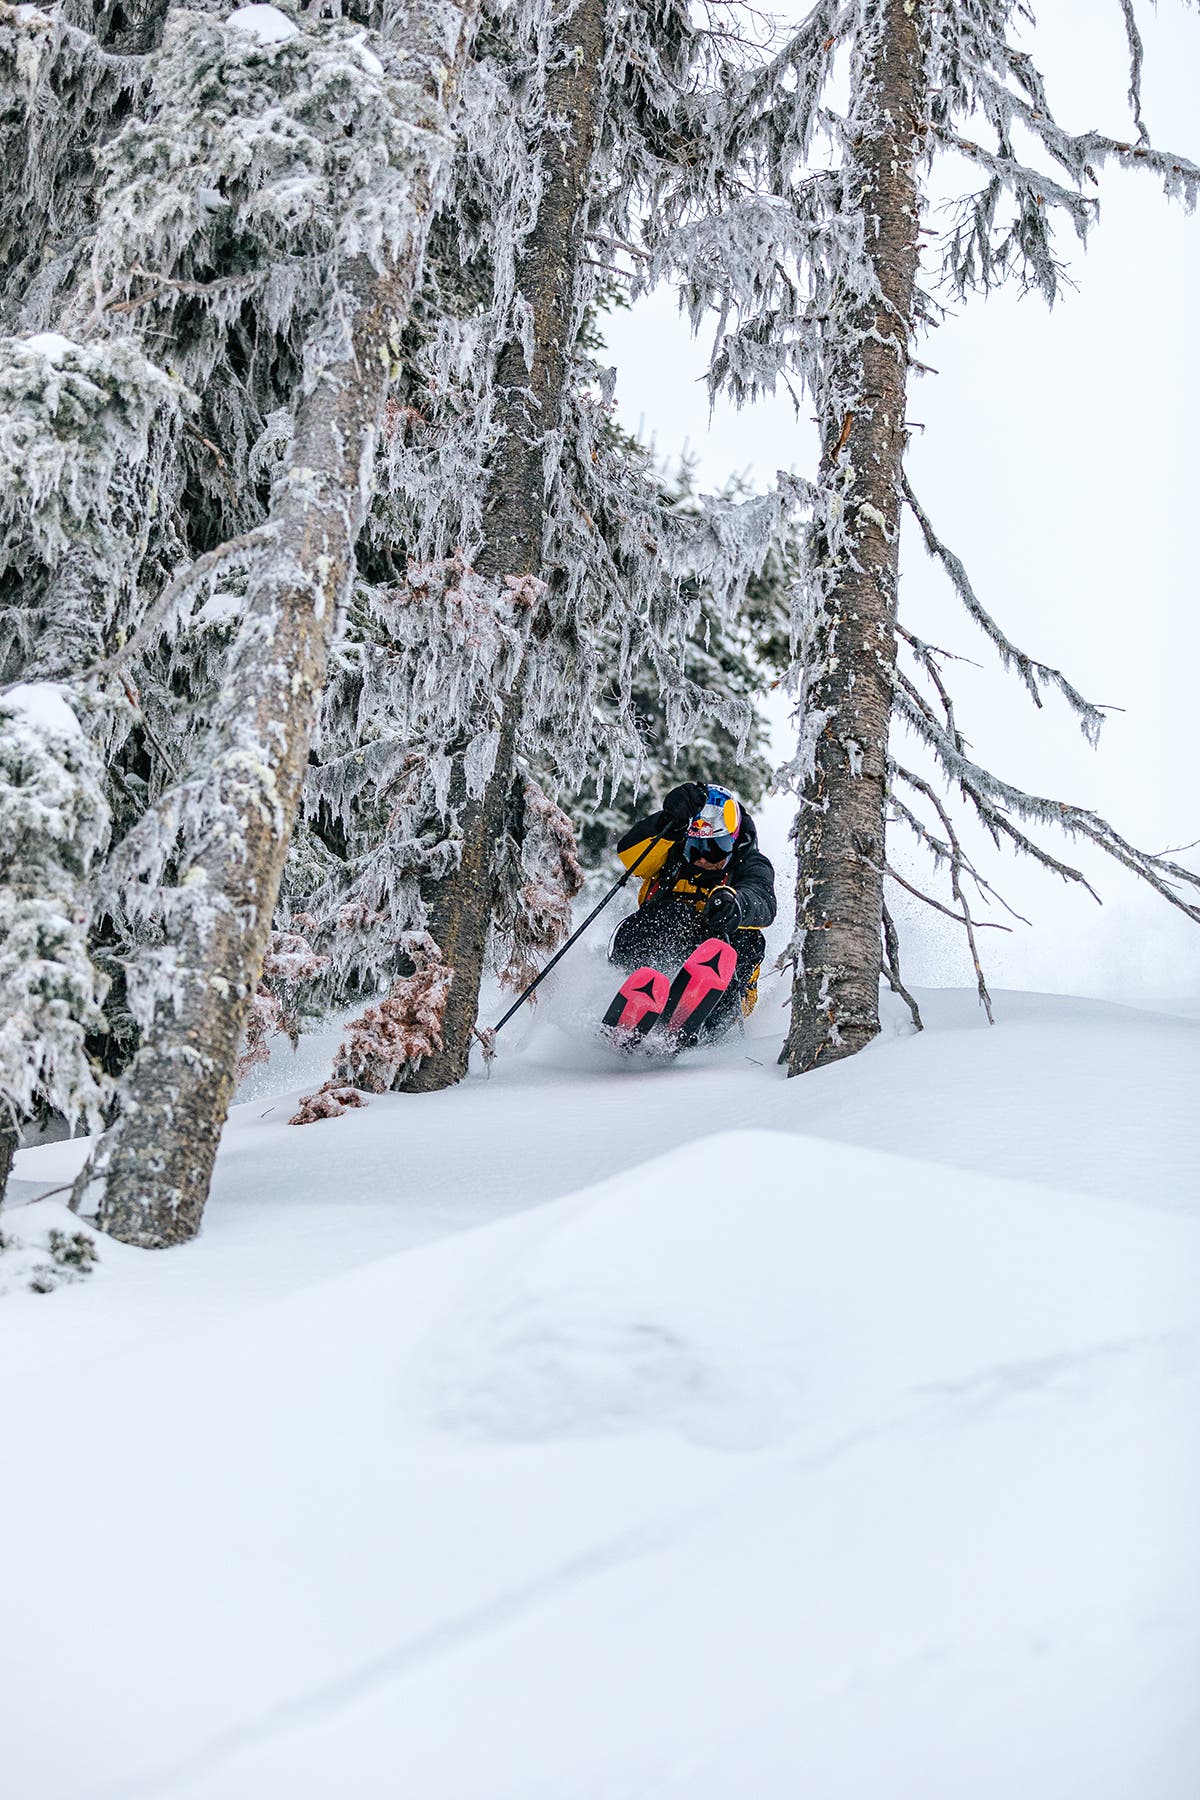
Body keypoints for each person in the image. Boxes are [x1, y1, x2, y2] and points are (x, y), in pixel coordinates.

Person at [609, 781, 776, 1036]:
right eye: (695, 848)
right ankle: (635, 1002)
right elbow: (630, 857)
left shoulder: (750, 862)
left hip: (725, 972)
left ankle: (701, 1021)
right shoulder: (669, 852)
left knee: (741, 941)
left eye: (714, 849)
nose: (702, 858)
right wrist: (668, 821)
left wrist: (736, 904)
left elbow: (763, 899)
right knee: (666, 917)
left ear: (732, 842)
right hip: (667, 951)